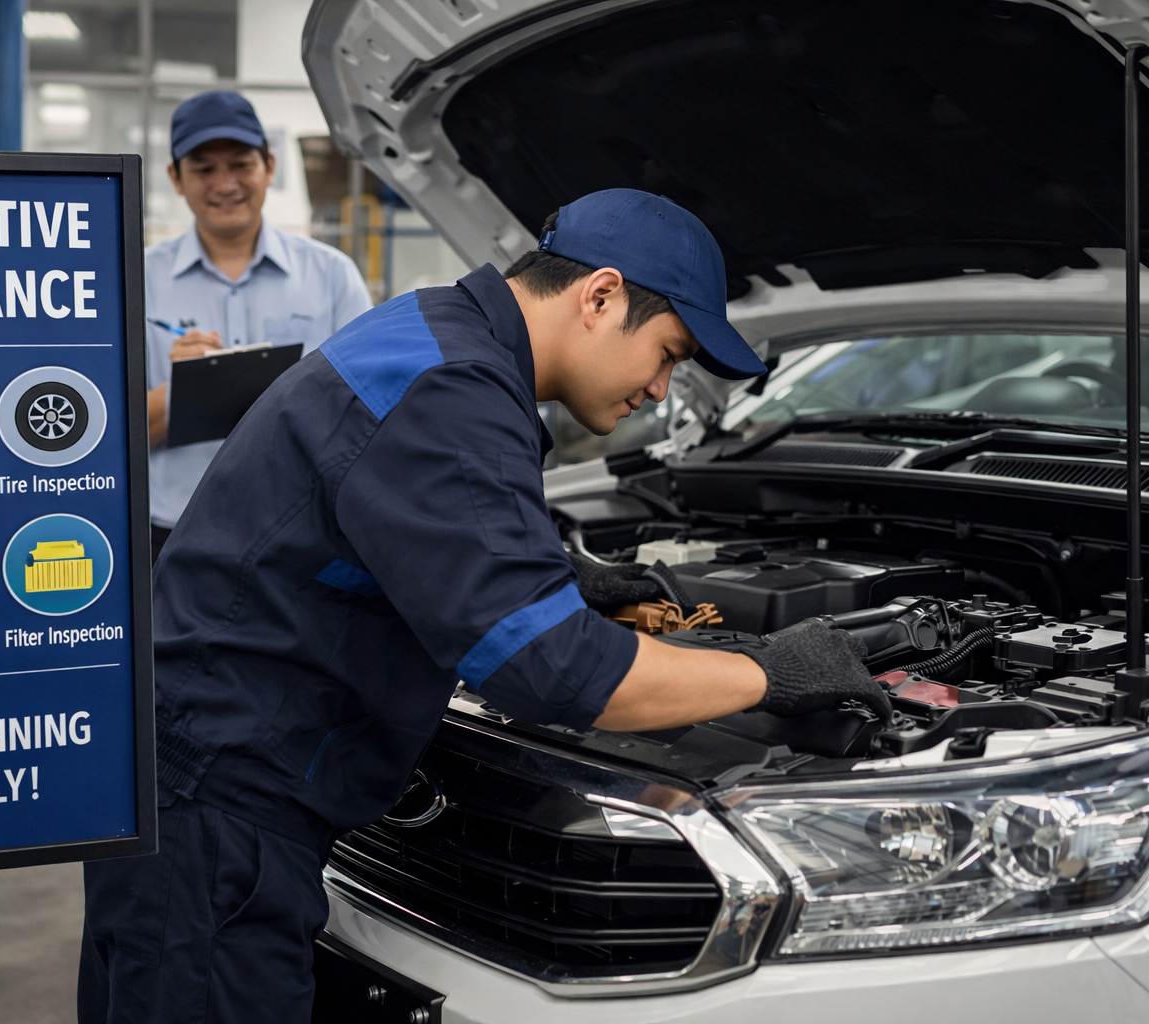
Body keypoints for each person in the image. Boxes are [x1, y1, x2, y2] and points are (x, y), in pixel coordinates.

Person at [79, 189, 889, 1022]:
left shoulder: (433, 332)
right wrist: (766, 671)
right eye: (669, 353)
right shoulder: (453, 389)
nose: (659, 386)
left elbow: (393, 522)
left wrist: (557, 580)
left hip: (197, 786)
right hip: (220, 822)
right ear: (600, 296)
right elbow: (557, 674)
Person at [144, 91, 372, 562]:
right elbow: (100, 431)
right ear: (176, 179)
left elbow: (367, 410)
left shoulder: (331, 275)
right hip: (169, 538)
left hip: (299, 534)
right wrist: (181, 391)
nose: (225, 183)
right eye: (203, 168)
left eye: (240, 164)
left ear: (269, 166)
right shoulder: (134, 281)